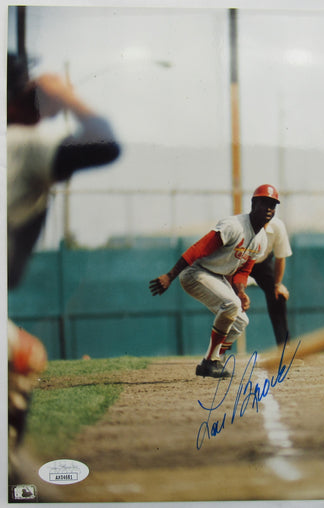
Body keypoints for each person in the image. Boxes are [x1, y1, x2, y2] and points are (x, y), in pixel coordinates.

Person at [6, 51, 121, 485]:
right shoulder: (18, 142)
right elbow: (105, 143)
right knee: (22, 357)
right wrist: (68, 97)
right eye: (29, 92)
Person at [149, 184, 280, 378]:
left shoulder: (261, 240)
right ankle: (211, 362)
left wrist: (241, 291)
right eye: (264, 202)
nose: (269, 208)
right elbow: (199, 248)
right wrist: (170, 275)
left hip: (216, 276)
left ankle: (210, 361)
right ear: (253, 203)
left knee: (240, 322)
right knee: (231, 305)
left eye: (273, 204)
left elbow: (243, 270)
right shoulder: (234, 226)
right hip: (195, 272)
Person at [249, 211, 292, 346]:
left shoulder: (278, 226)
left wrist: (278, 284)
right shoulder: (242, 226)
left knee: (278, 296)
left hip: (263, 264)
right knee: (229, 302)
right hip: (239, 263)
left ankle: (285, 348)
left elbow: (280, 258)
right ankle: (218, 354)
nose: (266, 210)